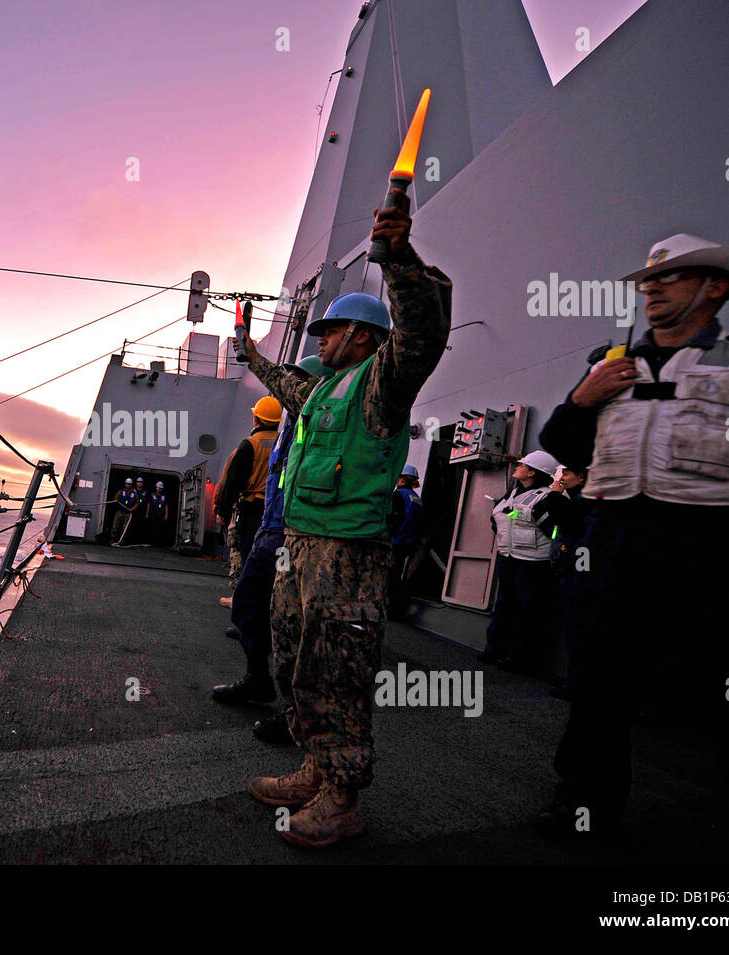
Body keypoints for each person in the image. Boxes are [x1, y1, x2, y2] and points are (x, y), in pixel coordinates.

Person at [535, 233, 729, 851]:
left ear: (714, 286)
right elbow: (564, 447)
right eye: (647, 281)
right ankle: (584, 807)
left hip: (720, 543)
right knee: (600, 684)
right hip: (615, 537)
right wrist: (579, 399)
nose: (650, 288)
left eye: (669, 278)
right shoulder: (609, 365)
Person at [239, 194, 451, 848]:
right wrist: (249, 350)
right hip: (299, 547)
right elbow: (282, 379)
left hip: (347, 554)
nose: (320, 340)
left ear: (361, 336)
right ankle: (314, 765)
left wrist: (397, 257)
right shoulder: (323, 388)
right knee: (294, 657)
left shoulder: (383, 382)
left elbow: (422, 330)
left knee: (337, 667)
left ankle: (343, 794)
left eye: (328, 331)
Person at [212, 356, 330, 717]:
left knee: (291, 620)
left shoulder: (320, 422)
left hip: (295, 535)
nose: (289, 385)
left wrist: (224, 508)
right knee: (248, 603)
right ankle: (257, 678)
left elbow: (233, 479)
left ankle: (298, 711)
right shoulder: (286, 429)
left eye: (297, 379)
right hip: (269, 527)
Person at [478, 450, 564, 675]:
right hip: (509, 559)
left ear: (532, 472)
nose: (517, 466)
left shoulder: (549, 497)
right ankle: (495, 649)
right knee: (505, 605)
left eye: (522, 464)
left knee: (530, 612)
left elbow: (558, 532)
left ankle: (519, 657)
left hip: (535, 564)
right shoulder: (512, 494)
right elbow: (505, 518)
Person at [214, 398, 281, 607]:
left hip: (251, 508)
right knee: (278, 557)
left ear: (256, 420)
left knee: (246, 553)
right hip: (276, 509)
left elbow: (233, 481)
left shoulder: (249, 444)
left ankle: (241, 601)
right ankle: (272, 601)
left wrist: (222, 511)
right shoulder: (283, 441)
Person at [544, 464, 589, 699]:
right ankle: (574, 677)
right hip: (572, 571)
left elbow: (566, 518)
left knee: (579, 628)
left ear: (582, 477)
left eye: (567, 474)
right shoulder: (578, 500)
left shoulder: (584, 502)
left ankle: (577, 682)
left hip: (579, 575)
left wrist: (553, 493)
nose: (562, 478)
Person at [385, 464, 425, 619]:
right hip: (409, 543)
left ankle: (390, 609)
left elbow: (392, 519)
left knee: (390, 575)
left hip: (396, 541)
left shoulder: (398, 496)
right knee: (398, 574)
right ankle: (397, 607)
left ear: (401, 478)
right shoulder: (416, 498)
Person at [110, 477, 138, 546]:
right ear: (125, 484)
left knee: (125, 527)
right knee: (115, 525)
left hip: (128, 512)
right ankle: (112, 539)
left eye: (130, 484)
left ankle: (122, 539)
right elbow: (115, 498)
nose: (128, 485)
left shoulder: (134, 494)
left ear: (131, 485)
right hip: (120, 511)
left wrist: (133, 508)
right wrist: (116, 499)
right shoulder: (121, 491)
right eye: (127, 484)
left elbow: (137, 503)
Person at [146, 480, 170, 546]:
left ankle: (158, 543)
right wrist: (147, 513)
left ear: (162, 489)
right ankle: (151, 542)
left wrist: (166, 514)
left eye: (160, 488)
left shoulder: (164, 496)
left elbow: (166, 505)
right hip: (153, 514)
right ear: (156, 487)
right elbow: (149, 504)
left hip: (161, 515)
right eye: (158, 487)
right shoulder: (152, 495)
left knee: (160, 529)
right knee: (152, 528)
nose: (159, 489)